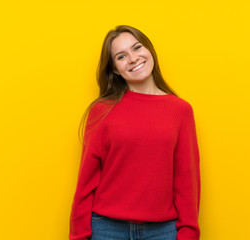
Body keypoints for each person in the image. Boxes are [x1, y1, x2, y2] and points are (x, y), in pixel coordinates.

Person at [69, 25, 201, 240]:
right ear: (114, 69)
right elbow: (87, 180)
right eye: (121, 56)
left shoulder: (180, 110)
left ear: (149, 50)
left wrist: (188, 234)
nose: (133, 58)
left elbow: (187, 179)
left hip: (163, 231)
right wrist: (79, 235)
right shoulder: (102, 111)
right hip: (107, 230)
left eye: (137, 48)